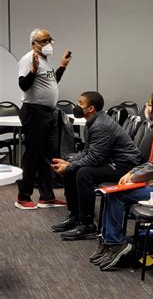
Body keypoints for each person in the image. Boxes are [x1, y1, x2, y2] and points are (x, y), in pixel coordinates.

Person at [90, 91, 153, 270]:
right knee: (110, 194)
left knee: (116, 196)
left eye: (150, 105)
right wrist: (132, 172)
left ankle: (116, 244)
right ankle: (109, 241)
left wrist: (134, 176)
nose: (147, 108)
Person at [51, 92, 142, 240]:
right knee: (72, 168)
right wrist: (70, 164)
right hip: (111, 161)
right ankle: (76, 216)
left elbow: (94, 158)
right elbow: (88, 151)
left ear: (91, 108)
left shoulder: (100, 126)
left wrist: (70, 166)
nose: (77, 106)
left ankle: (87, 225)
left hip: (124, 166)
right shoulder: (92, 121)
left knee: (84, 173)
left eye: (81, 103)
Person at [15, 28, 72, 210]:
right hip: (34, 112)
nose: (48, 44)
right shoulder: (28, 59)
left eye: (49, 40)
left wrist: (62, 66)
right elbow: (23, 84)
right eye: (43, 41)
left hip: (47, 113)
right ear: (34, 44)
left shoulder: (45, 61)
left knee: (48, 155)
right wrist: (32, 70)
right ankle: (23, 197)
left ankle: (46, 197)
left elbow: (51, 82)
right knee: (33, 155)